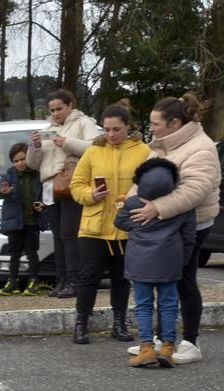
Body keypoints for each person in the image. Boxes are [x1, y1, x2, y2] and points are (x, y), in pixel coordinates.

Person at [125, 93, 222, 364]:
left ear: (175, 123)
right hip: (157, 225)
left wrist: (156, 208)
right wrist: (132, 205)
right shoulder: (161, 146)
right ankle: (158, 338)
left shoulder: (201, 147)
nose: (151, 128)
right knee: (159, 280)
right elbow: (142, 179)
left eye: (156, 123)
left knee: (183, 281)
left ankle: (190, 342)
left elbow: (195, 190)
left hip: (190, 225)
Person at [67, 100, 151, 345]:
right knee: (88, 275)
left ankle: (119, 323)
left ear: (128, 127)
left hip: (127, 226)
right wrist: (91, 195)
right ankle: (81, 323)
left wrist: (136, 201)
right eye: (106, 129)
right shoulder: (93, 151)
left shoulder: (142, 151)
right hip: (94, 226)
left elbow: (150, 184)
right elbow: (76, 185)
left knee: (122, 277)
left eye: (116, 129)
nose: (111, 134)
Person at [113, 159, 195, 367]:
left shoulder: (133, 203)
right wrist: (183, 259)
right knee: (168, 304)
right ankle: (168, 346)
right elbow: (189, 235)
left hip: (140, 261)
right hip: (170, 260)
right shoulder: (180, 206)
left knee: (144, 305)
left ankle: (147, 347)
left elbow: (119, 222)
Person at [26, 89, 101, 298]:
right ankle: (62, 279)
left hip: (73, 185)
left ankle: (75, 280)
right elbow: (33, 164)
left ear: (70, 106)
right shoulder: (47, 129)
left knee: (70, 235)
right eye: (52, 110)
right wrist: (34, 147)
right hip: (51, 187)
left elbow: (95, 149)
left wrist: (66, 142)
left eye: (59, 109)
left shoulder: (84, 123)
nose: (56, 113)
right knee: (58, 237)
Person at [0, 142, 48, 295]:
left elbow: (46, 197)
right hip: (14, 222)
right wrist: (4, 192)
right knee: (14, 252)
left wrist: (42, 207)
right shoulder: (8, 175)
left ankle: (33, 281)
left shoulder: (37, 175)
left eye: (22, 159)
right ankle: (12, 282)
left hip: (31, 221)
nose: (20, 163)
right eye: (16, 161)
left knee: (32, 252)